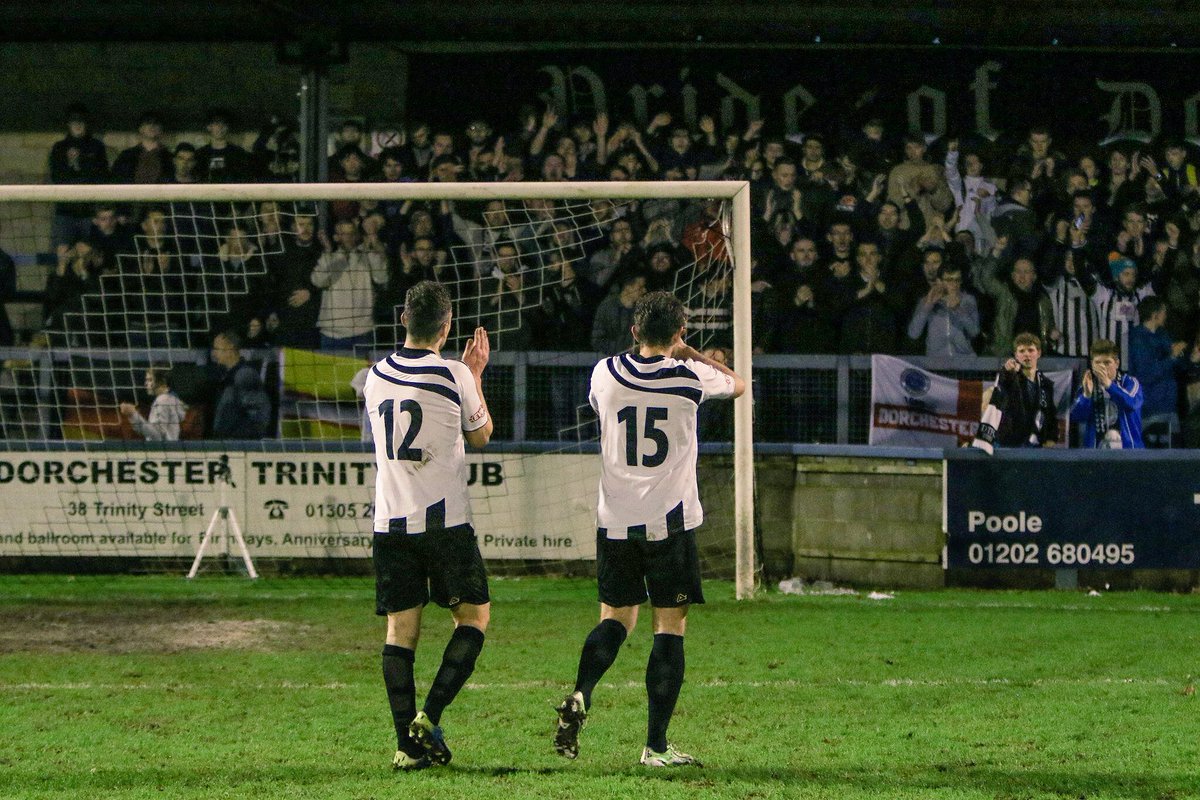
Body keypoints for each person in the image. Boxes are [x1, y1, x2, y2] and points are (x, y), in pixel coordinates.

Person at [555, 290, 745, 767]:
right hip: (670, 523)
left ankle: (581, 692)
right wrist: (692, 353)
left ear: (634, 331)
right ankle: (655, 746)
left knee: (615, 619)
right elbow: (739, 385)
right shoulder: (690, 377)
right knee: (669, 628)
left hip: (615, 521)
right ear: (679, 333)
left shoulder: (604, 374)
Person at [363, 281, 493, 771]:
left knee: (400, 633)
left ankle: (406, 747)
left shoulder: (374, 376)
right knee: (474, 618)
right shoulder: (454, 372)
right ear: (447, 325)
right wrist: (475, 374)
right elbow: (481, 436)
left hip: (390, 522)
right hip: (445, 523)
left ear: (403, 321)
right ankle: (430, 715)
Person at [971, 333, 1059, 453]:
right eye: (1022, 351)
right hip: (1007, 445)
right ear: (1016, 355)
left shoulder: (1046, 385)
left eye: (1030, 350)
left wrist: (1050, 438)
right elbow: (1004, 384)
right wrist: (1007, 372)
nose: (1026, 354)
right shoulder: (1011, 377)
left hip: (1033, 446)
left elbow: (1050, 415)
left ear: (1039, 353)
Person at [1128, 296, 1187, 446]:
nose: (1166, 315)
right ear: (1155, 314)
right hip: (1151, 409)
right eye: (1164, 312)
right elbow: (1145, 374)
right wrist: (1172, 357)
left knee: (1171, 459)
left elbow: (1176, 363)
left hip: (1168, 406)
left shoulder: (1163, 334)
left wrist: (1189, 358)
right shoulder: (1138, 339)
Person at [1069, 338, 1145, 449]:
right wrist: (1086, 396)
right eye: (1098, 363)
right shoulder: (1088, 386)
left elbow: (1132, 403)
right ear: (1092, 364)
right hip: (1096, 454)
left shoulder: (1130, 383)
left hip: (1129, 452)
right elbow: (1075, 416)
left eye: (1107, 362)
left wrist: (1109, 385)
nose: (1103, 367)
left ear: (1117, 363)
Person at [906, 263, 979, 356]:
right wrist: (928, 306)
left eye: (958, 280)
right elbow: (913, 333)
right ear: (939, 281)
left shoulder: (968, 300)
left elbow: (974, 332)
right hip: (936, 363)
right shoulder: (926, 300)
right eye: (949, 280)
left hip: (963, 360)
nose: (954, 284)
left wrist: (958, 309)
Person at [209, 330, 271, 439]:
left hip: (237, 447)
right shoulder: (227, 377)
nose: (214, 353)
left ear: (230, 349)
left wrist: (236, 441)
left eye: (216, 349)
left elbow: (258, 417)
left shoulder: (244, 375)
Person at [120, 366, 188, 441]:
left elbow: (157, 435)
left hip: (162, 451)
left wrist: (133, 414)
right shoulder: (170, 399)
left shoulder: (162, 401)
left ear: (162, 382)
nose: (146, 383)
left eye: (150, 380)